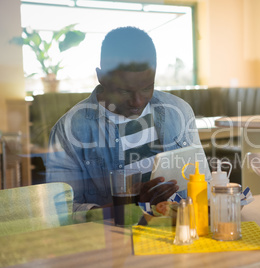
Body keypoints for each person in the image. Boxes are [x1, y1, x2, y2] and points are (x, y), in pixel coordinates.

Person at [46, 26, 209, 216]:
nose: (137, 101)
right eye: (125, 91)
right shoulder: (69, 131)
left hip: (178, 234)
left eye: (148, 87)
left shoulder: (178, 110)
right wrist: (129, 207)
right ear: (100, 77)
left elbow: (204, 183)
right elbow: (60, 213)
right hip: (114, 240)